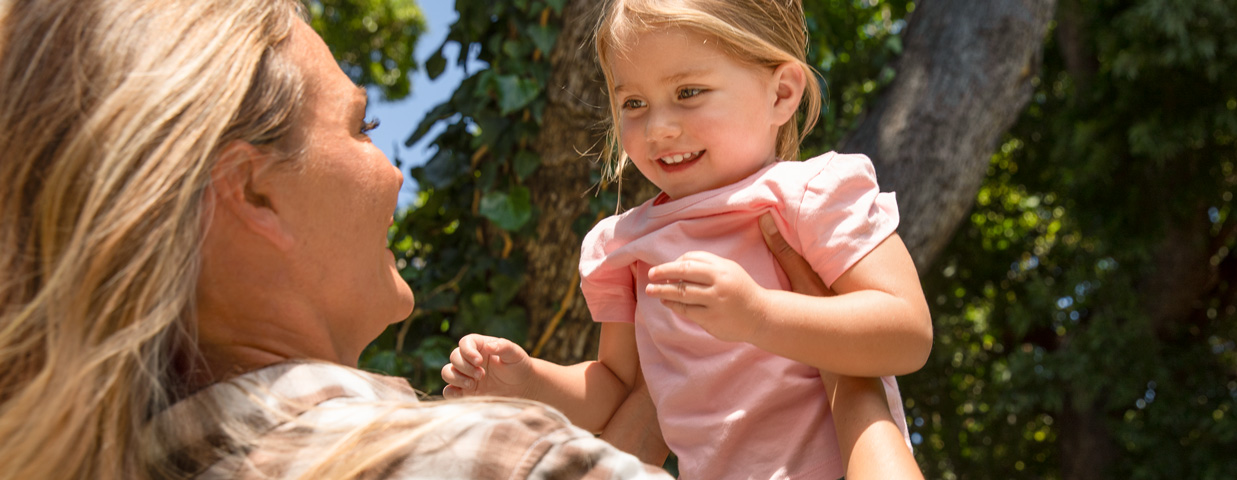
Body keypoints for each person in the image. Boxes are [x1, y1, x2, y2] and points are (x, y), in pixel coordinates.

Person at [0, 1, 674, 478]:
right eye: (361, 127)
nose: (395, 173)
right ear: (253, 191)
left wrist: (654, 398)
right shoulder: (492, 457)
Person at [441, 0, 932, 478]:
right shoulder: (627, 242)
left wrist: (760, 315)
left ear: (782, 94)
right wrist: (530, 383)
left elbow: (907, 333)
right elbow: (619, 387)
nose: (658, 128)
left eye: (688, 92)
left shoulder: (809, 194)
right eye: (633, 103)